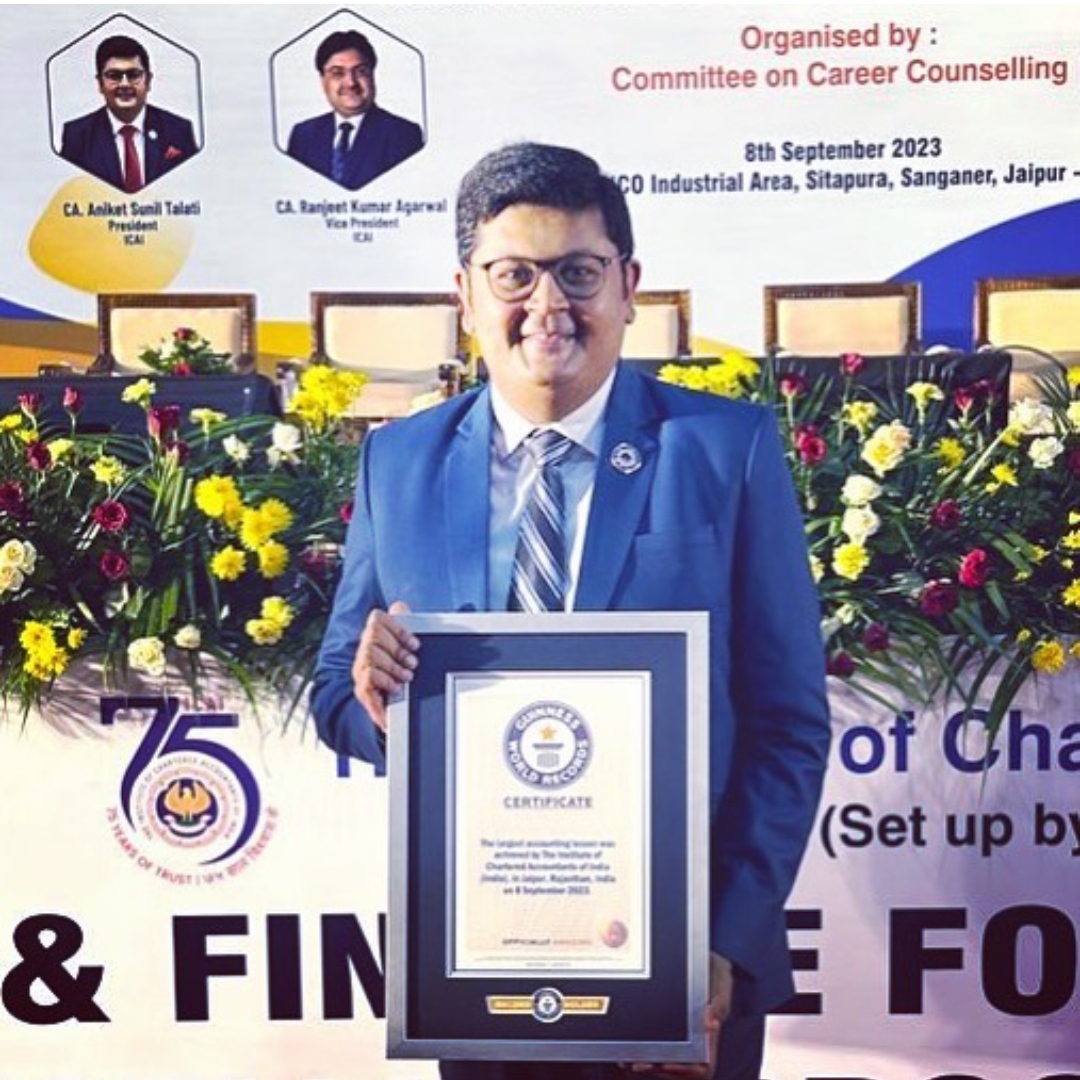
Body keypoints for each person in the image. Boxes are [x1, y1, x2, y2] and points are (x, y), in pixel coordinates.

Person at [312, 142, 831, 1080]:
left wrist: (722, 945)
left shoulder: (728, 449)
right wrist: (377, 705)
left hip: (684, 969)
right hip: (479, 960)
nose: (547, 304)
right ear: (465, 294)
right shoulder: (398, 462)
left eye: (579, 273)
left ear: (628, 286)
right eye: (513, 274)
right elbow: (335, 697)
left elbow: (787, 723)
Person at [286, 29, 424, 191]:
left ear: (372, 76)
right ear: (323, 81)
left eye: (360, 72)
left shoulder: (402, 134)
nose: (351, 83)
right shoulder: (303, 135)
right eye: (337, 73)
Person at [59, 34, 200, 192]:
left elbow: (194, 189)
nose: (125, 84)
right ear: (100, 84)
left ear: (148, 81)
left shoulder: (179, 130)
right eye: (114, 76)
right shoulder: (77, 136)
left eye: (134, 75)